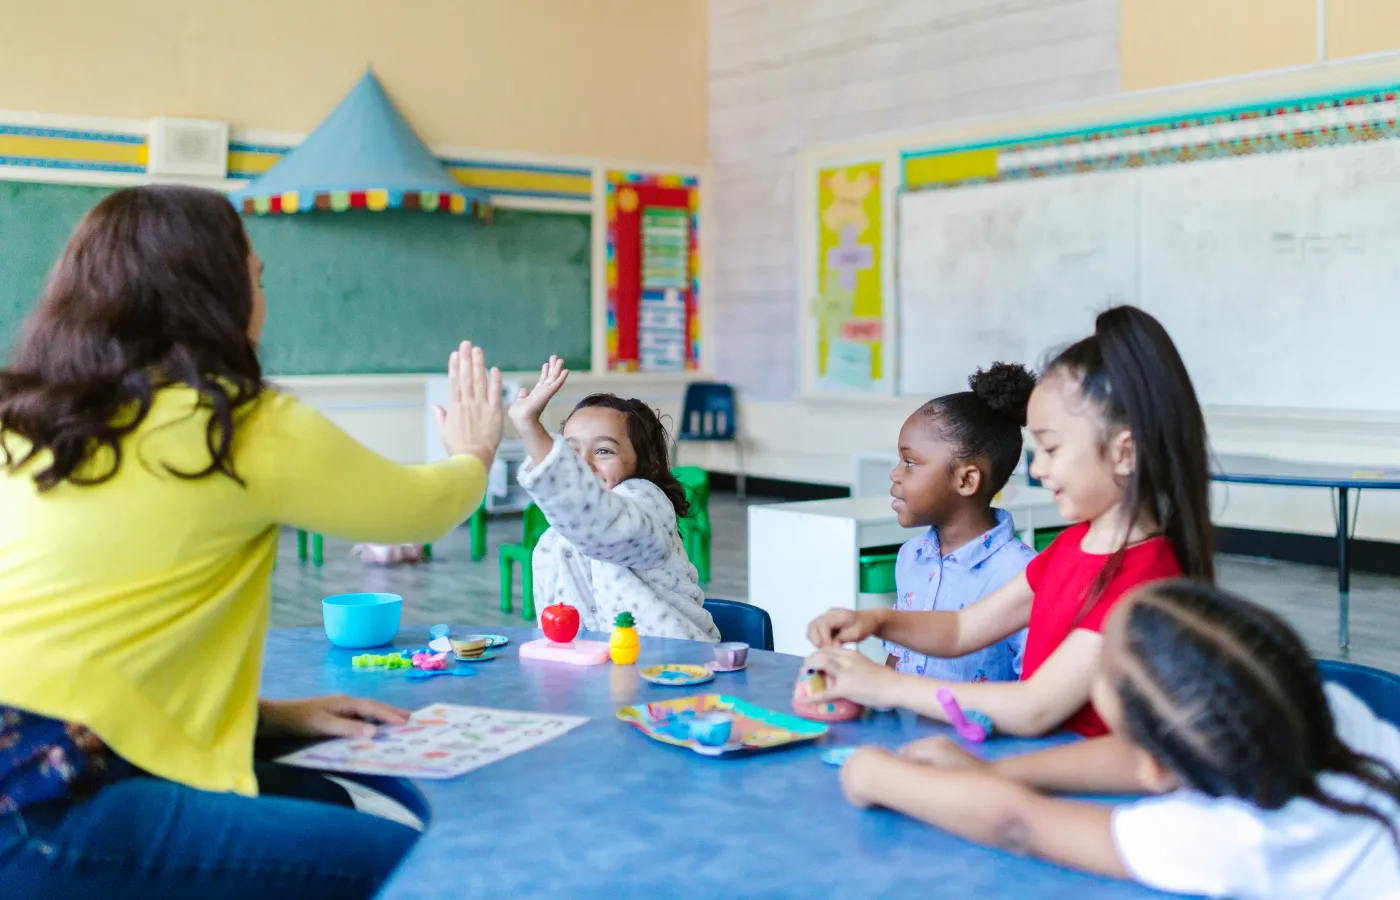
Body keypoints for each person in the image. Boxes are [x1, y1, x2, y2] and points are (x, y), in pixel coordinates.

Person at [0, 184, 503, 899]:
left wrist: (269, 718)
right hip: (42, 800)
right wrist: (475, 453)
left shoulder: (25, 420)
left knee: (322, 802)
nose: (262, 301)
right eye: (256, 279)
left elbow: (77, 644)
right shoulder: (235, 424)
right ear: (212, 293)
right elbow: (418, 512)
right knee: (418, 865)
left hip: (36, 761)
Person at [839, 581, 1400, 899]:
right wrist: (995, 772)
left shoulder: (1227, 839)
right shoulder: (1314, 707)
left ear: (1156, 770)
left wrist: (875, 774)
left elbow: (1020, 825)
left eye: (1101, 663)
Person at [804, 306, 1212, 736]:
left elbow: (1033, 707)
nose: (1036, 471)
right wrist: (875, 621)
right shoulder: (1072, 547)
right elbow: (962, 629)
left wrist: (885, 687)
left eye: (1051, 450)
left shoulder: (1143, 581)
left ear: (1124, 452)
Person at [510, 356, 718, 641]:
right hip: (598, 672)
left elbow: (602, 527)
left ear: (647, 463)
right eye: (571, 452)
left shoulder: (648, 506)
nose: (584, 463)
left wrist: (530, 428)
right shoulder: (553, 541)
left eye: (604, 451)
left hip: (673, 667)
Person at [881, 362, 1037, 682]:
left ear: (966, 480)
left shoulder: (1022, 575)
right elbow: (898, 657)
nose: (895, 474)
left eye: (910, 462)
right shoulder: (911, 556)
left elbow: (1034, 688)